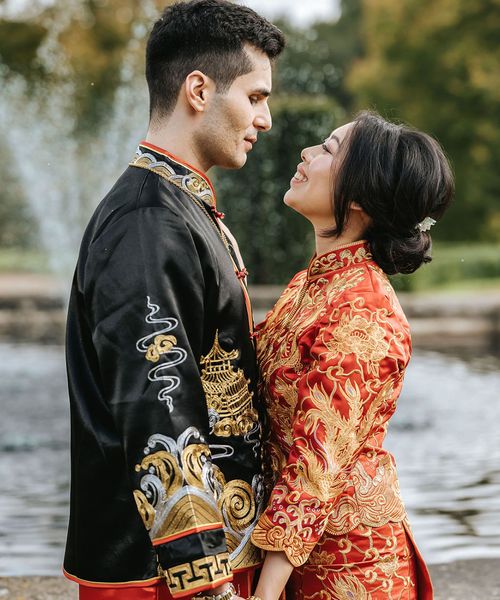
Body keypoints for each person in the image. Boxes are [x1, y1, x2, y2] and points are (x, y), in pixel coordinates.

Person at [63, 2, 284, 599]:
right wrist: (204, 581)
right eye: (256, 96)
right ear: (197, 89)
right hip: (160, 575)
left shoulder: (177, 206)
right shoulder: (147, 220)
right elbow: (156, 401)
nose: (264, 119)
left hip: (197, 558)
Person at [249, 111, 454, 600]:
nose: (305, 152)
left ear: (359, 197)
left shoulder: (363, 310)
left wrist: (264, 594)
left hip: (350, 571)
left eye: (326, 149)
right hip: (297, 553)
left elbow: (314, 465)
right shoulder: (311, 283)